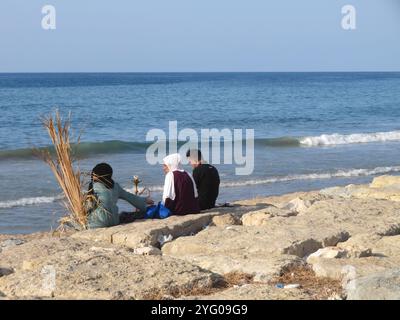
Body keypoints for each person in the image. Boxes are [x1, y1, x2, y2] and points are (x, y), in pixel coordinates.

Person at [86, 163, 154, 229]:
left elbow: (88, 206)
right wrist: (145, 200)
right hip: (114, 221)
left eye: (94, 174)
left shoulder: (93, 187)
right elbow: (129, 196)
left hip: (98, 223)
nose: (92, 175)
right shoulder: (115, 186)